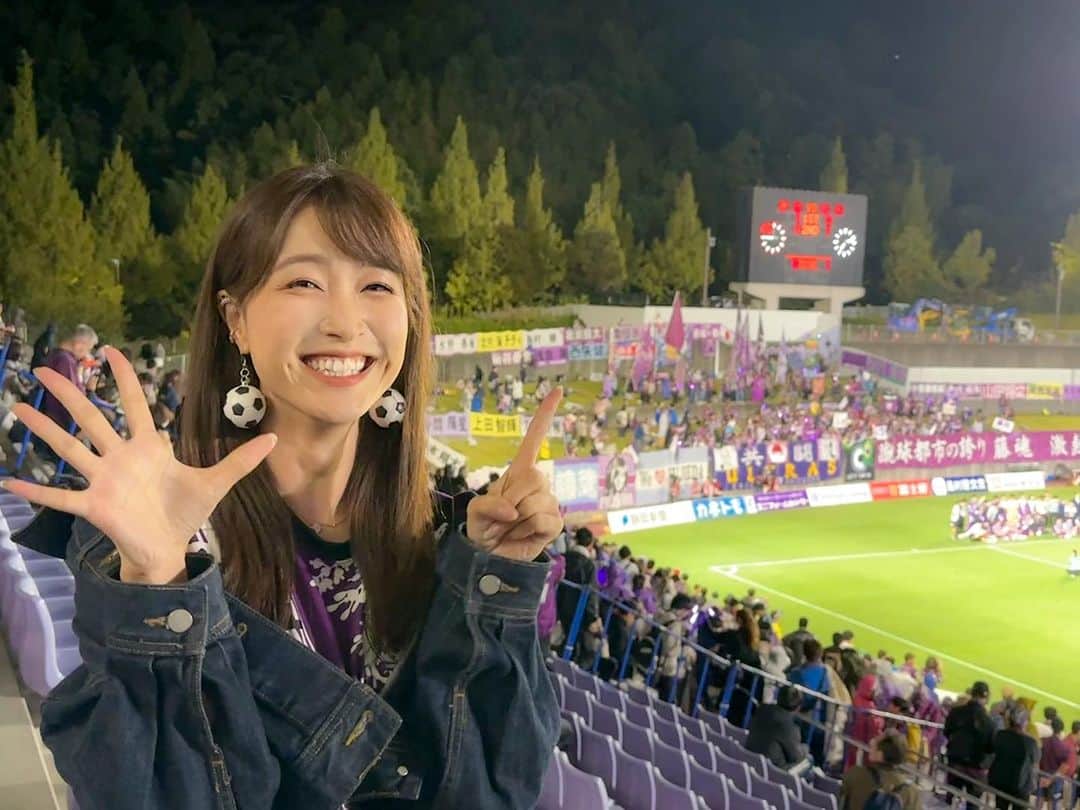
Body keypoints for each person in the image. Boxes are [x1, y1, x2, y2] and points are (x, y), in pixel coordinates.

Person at [5, 164, 564, 808]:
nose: (346, 322)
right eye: (304, 282)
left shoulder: (450, 543)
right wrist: (158, 586)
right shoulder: (159, 534)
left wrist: (496, 580)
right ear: (236, 318)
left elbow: (494, 789)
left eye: (377, 285)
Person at [944, 681, 996, 810]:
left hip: (955, 761)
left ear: (972, 693)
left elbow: (947, 732)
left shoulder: (956, 712)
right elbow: (991, 747)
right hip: (976, 767)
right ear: (986, 698)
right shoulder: (989, 722)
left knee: (950, 800)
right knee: (972, 804)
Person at [840, 732, 922, 810]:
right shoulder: (911, 792)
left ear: (880, 755)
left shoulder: (857, 774)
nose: (871, 744)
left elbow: (838, 800)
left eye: (874, 745)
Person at [746, 685, 811, 774]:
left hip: (750, 761)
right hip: (771, 772)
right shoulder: (790, 727)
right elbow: (796, 757)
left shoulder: (762, 709)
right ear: (798, 707)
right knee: (809, 760)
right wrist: (805, 749)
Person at [988, 705, 1041, 810]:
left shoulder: (1000, 735)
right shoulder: (1030, 742)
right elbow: (1036, 762)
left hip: (1001, 782)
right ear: (1024, 722)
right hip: (1020, 785)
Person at [1038, 717, 1072, 810]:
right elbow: (1064, 767)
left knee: (1039, 800)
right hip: (1055, 778)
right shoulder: (1064, 747)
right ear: (1061, 730)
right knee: (1052, 803)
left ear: (1051, 727)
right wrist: (1051, 779)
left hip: (1042, 774)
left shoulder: (1043, 741)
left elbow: (1038, 758)